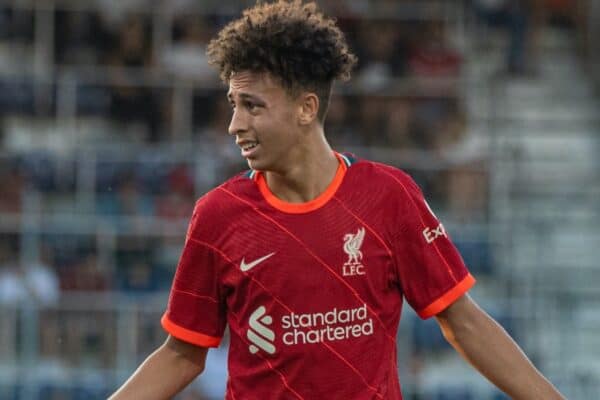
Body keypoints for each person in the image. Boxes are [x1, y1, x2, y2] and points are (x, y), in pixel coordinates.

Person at [109, 1, 565, 399]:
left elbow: (462, 321)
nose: (234, 124)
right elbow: (181, 354)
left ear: (307, 108)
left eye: (252, 106)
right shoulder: (218, 215)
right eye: (233, 104)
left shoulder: (388, 196)